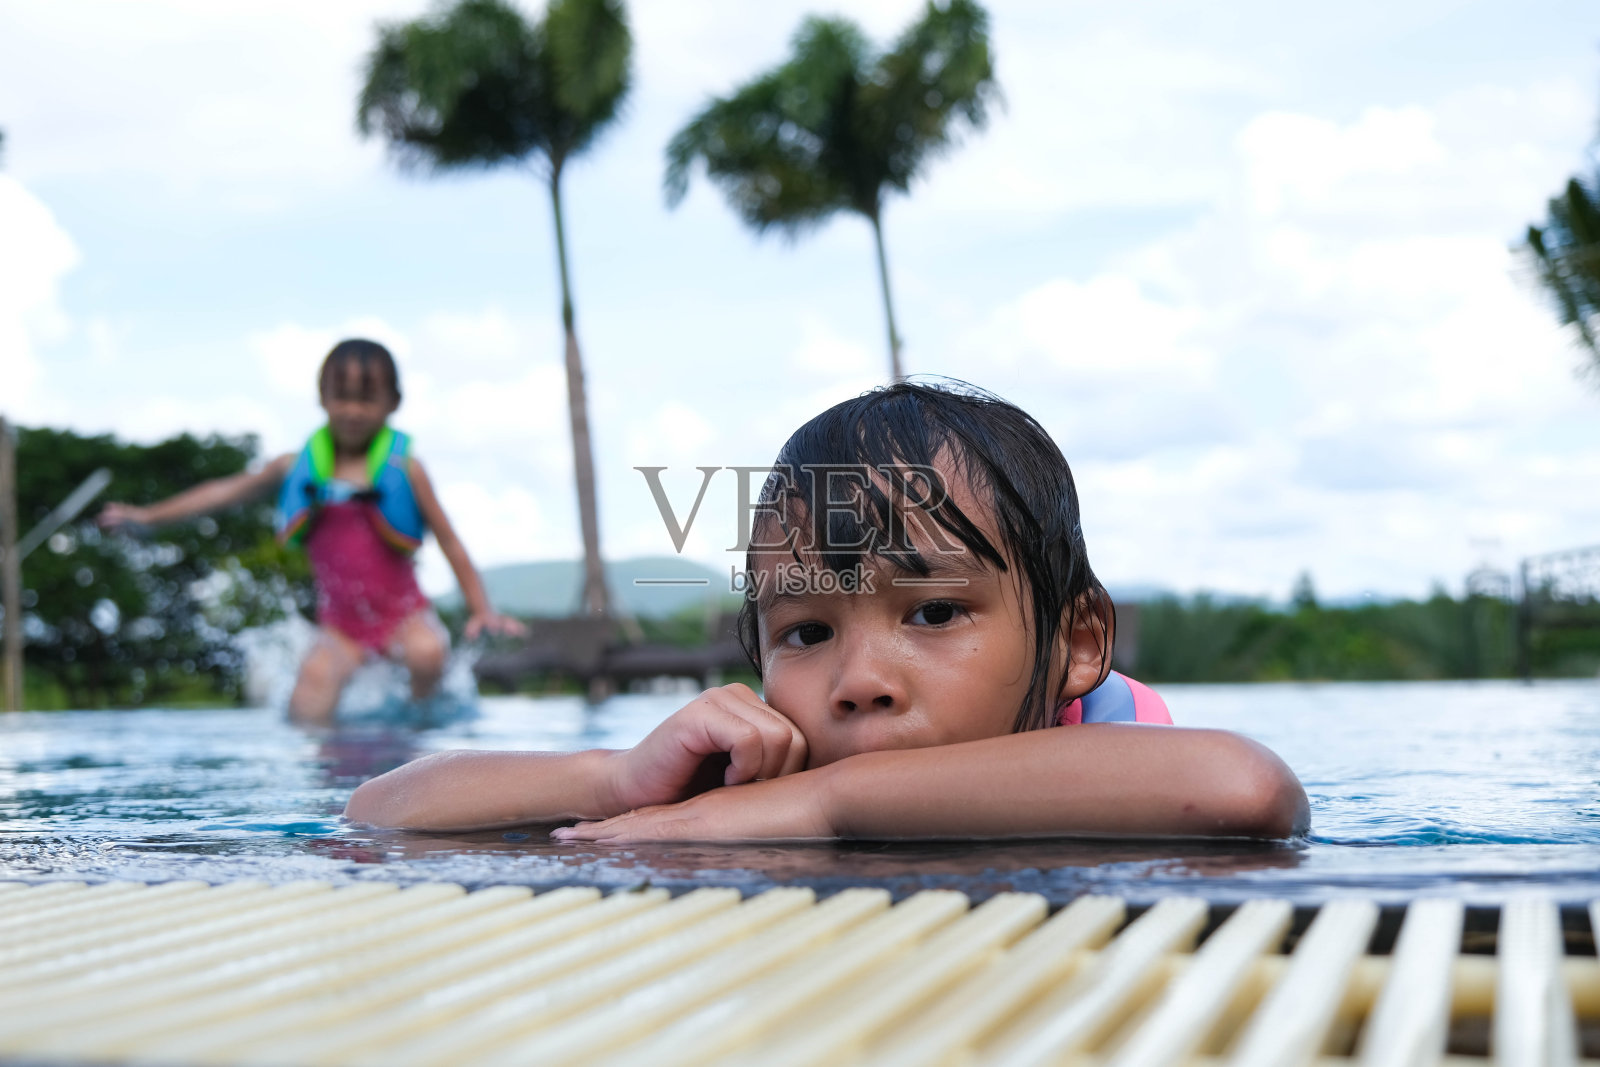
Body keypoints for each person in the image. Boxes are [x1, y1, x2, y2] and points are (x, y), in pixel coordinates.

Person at [345, 380, 1308, 840]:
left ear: (1079, 643)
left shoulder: (1112, 746)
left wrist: (818, 804)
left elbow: (1247, 790)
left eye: (933, 613)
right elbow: (379, 810)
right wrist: (615, 778)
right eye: (806, 633)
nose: (858, 684)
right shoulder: (769, 749)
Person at [100, 338, 523, 724]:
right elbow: (223, 492)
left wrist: (481, 609)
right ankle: (326, 789)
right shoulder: (293, 466)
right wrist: (150, 516)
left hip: (403, 616)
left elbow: (450, 541)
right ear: (322, 397)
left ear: (393, 401)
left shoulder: (406, 469)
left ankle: (418, 738)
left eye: (367, 399)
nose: (353, 411)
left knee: (427, 653)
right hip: (340, 627)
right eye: (342, 398)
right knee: (308, 700)